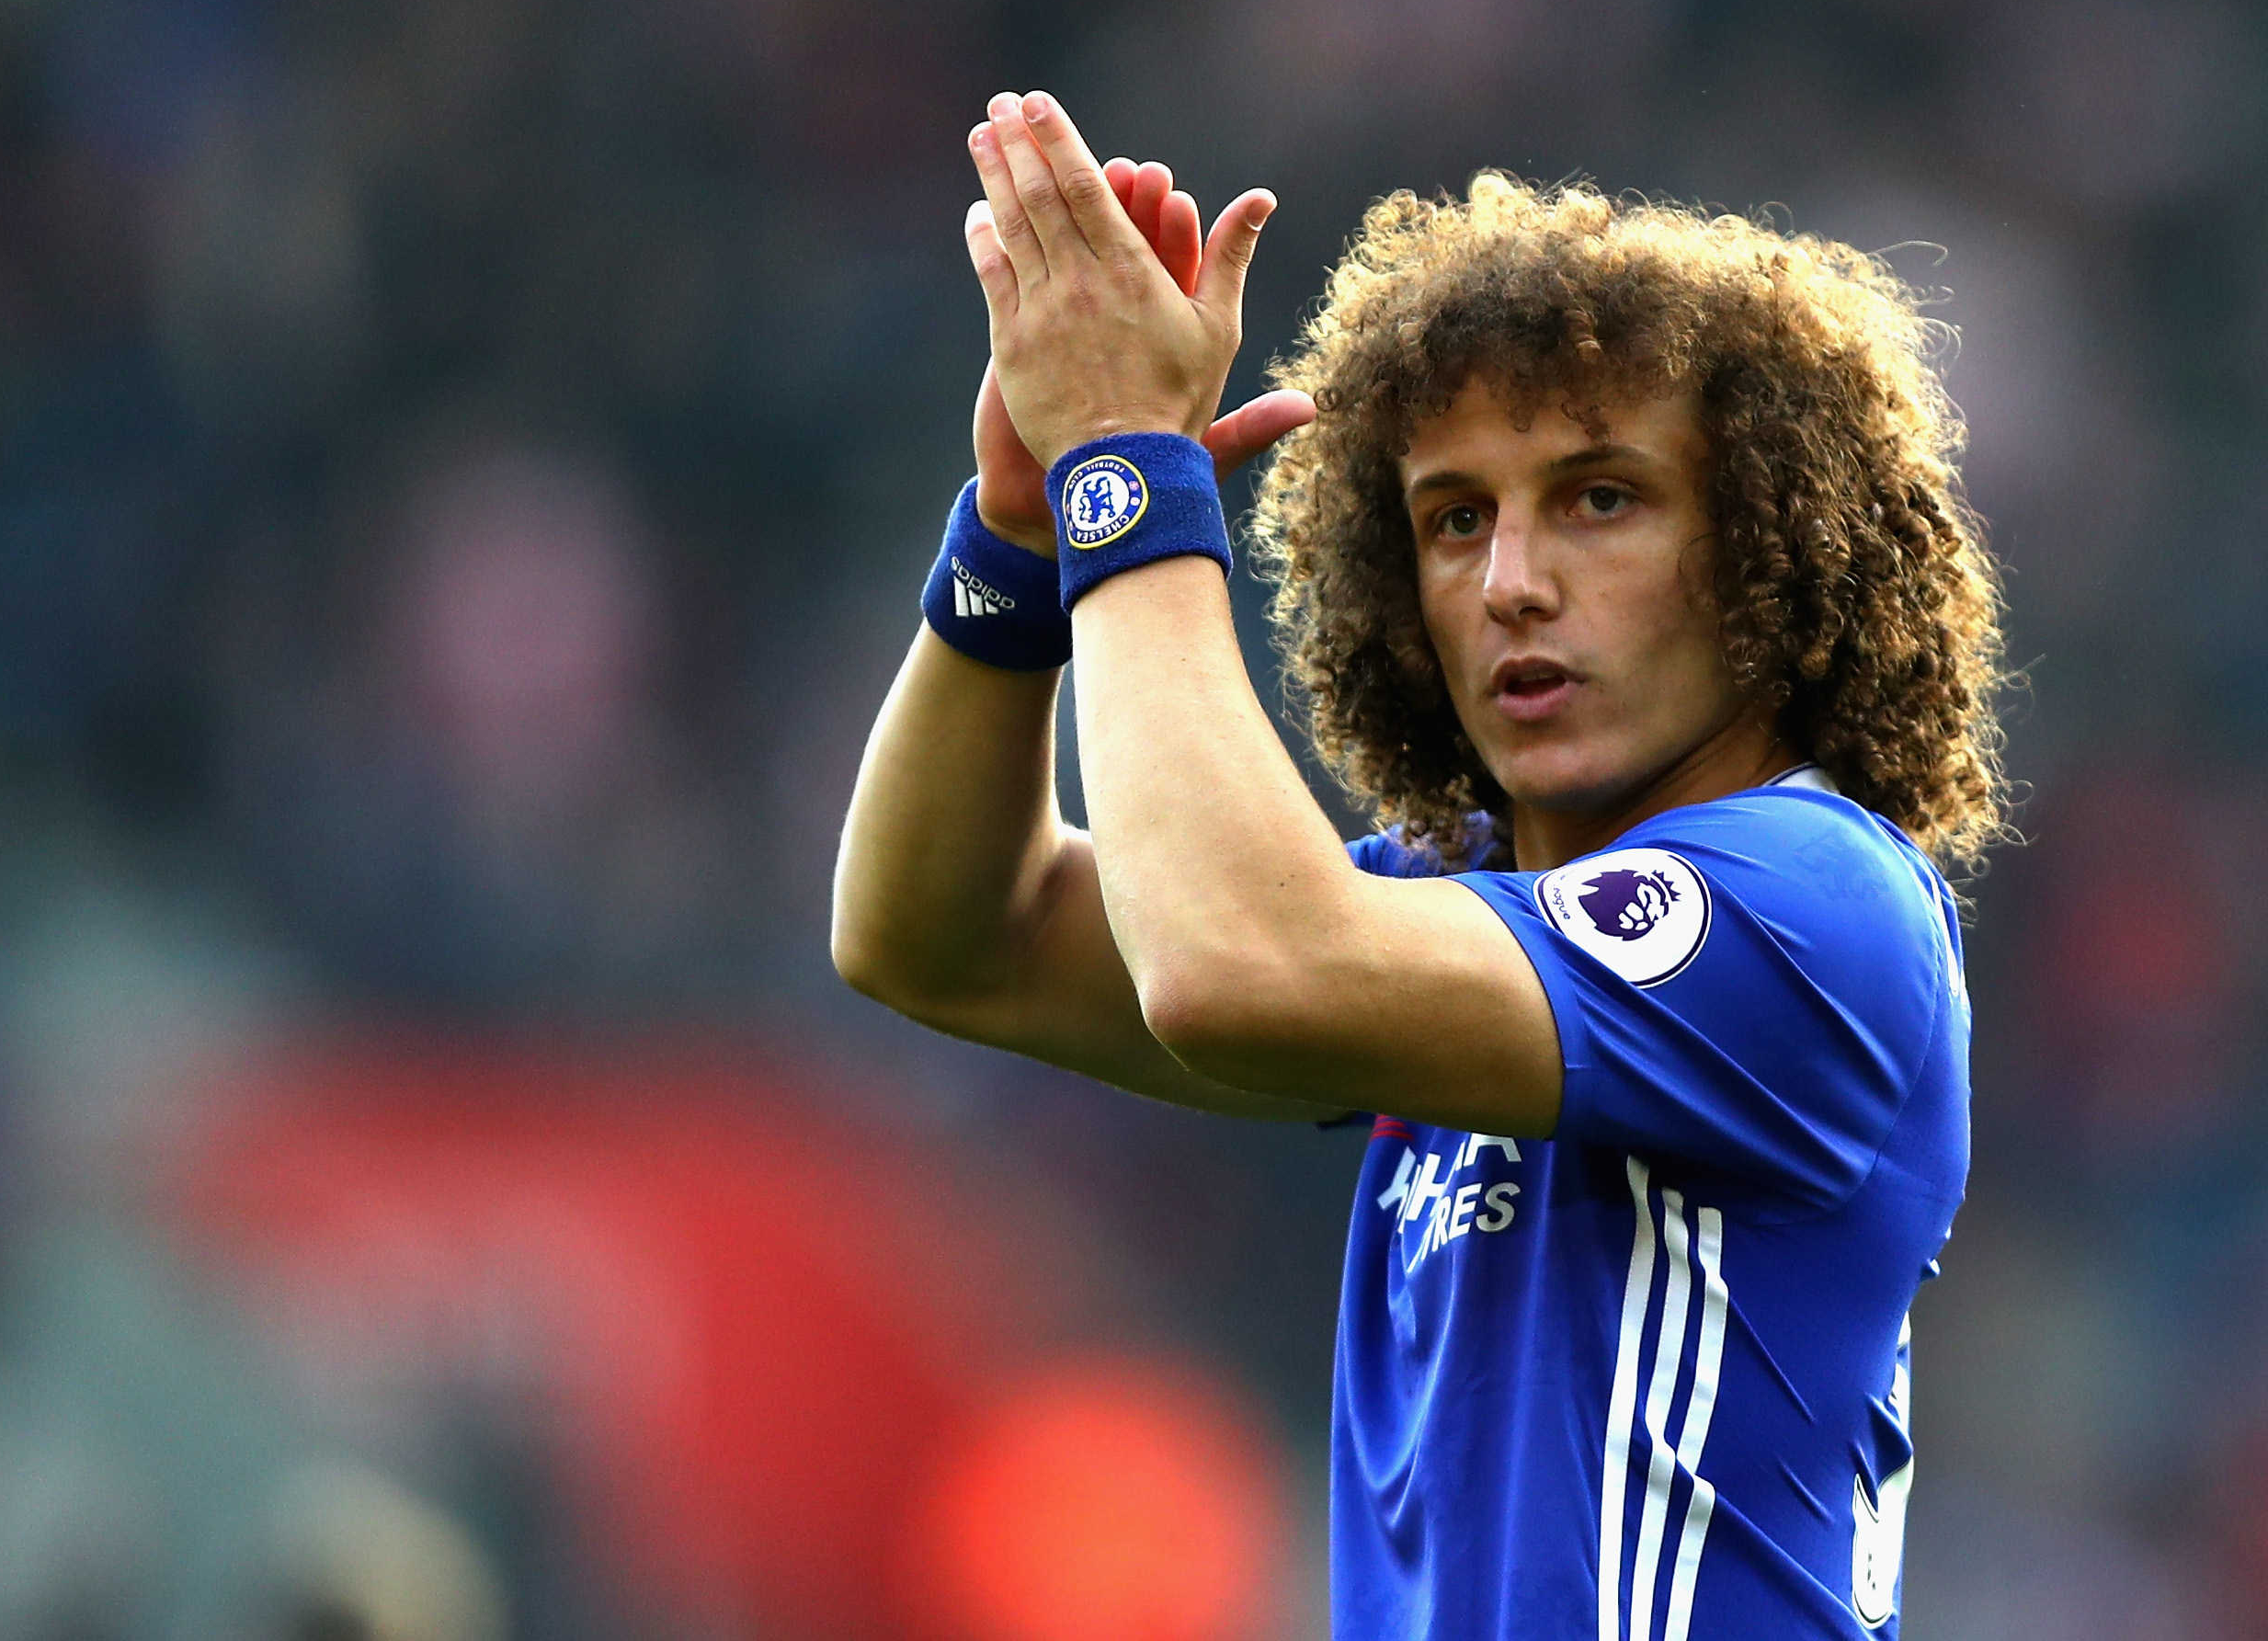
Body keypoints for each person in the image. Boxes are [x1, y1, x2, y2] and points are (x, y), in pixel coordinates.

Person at [833, 91, 2004, 1639]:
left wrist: (1127, 468)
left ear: (1775, 553)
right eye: (1456, 520)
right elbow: (941, 936)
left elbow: (1236, 964)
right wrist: (1019, 543)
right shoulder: (1449, 923)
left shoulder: (1811, 900)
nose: (1513, 582)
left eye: (1602, 498)